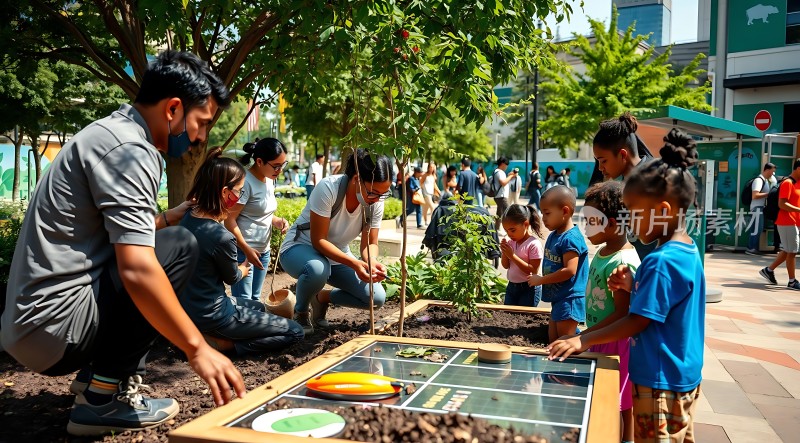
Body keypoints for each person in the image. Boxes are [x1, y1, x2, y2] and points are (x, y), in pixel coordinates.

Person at [0, 50, 245, 436]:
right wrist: (198, 349)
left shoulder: (110, 133)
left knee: (167, 237)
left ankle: (95, 379)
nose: (199, 137)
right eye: (201, 123)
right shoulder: (132, 150)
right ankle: (101, 399)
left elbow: (112, 235)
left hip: (34, 327)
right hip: (54, 329)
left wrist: (164, 218)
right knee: (177, 247)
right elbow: (135, 267)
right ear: (174, 109)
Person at [548, 129, 706, 442]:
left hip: (659, 381)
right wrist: (636, 284)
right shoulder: (687, 249)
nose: (630, 222)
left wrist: (584, 340)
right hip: (684, 375)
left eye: (635, 213)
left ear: (662, 211)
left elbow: (637, 320)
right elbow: (669, 303)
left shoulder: (659, 261)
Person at [180, 148, 304, 354]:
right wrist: (244, 267)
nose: (239, 197)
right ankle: (225, 346)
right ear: (224, 192)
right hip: (214, 315)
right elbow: (233, 277)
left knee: (259, 307)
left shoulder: (188, 216)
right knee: (295, 332)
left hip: (192, 307)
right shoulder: (221, 236)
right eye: (238, 190)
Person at [280, 149, 391, 335]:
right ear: (356, 179)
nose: (377, 199)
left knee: (376, 297)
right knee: (317, 269)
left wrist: (371, 262)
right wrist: (355, 264)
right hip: (299, 248)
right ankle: (300, 312)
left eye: (383, 194)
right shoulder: (328, 188)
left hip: (336, 254)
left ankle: (321, 298)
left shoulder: (375, 203)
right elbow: (319, 240)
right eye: (373, 193)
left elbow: (369, 244)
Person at [581, 180, 641, 442]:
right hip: (601, 336)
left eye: (591, 221)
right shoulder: (605, 251)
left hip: (615, 341)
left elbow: (622, 314)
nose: (585, 227)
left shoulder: (623, 261)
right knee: (616, 399)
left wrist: (583, 337)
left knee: (617, 400)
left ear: (613, 224)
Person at [225, 138, 291, 301]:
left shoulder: (269, 179)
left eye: (283, 165)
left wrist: (276, 221)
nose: (280, 170)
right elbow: (229, 220)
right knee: (244, 302)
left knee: (255, 299)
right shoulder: (244, 182)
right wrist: (246, 249)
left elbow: (260, 213)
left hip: (263, 252)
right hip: (244, 253)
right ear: (260, 161)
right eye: (276, 166)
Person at [591, 112, 656, 260]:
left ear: (622, 154)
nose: (600, 168)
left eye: (603, 161)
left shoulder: (653, 180)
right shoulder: (625, 182)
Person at [527, 185, 588, 342]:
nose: (543, 218)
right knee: (553, 340)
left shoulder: (570, 239)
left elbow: (570, 270)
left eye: (547, 213)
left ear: (565, 211)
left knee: (565, 343)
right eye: (542, 213)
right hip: (559, 298)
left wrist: (541, 280)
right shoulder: (555, 235)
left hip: (570, 299)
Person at [759, 159, 800, 290]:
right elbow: (782, 204)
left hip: (793, 221)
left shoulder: (798, 183)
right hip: (787, 221)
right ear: (798, 169)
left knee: (788, 250)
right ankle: (792, 281)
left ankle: (769, 270)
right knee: (792, 252)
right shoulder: (787, 183)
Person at [500, 204, 543, 307]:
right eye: (506, 231)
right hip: (512, 286)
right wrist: (505, 253)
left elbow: (533, 270)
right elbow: (506, 266)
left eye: (512, 230)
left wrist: (512, 256)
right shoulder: (511, 242)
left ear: (526, 224)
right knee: (509, 316)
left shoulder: (533, 244)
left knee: (525, 318)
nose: (509, 234)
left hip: (528, 288)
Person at [746, 163, 776, 255]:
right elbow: (755, 195)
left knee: (756, 228)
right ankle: (751, 248)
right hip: (756, 208)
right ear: (767, 170)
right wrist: (769, 194)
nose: (773, 174)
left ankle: (752, 247)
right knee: (756, 229)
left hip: (759, 207)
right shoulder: (759, 180)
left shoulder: (765, 180)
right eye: (772, 171)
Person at [492, 157, 519, 233]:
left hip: (499, 196)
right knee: (508, 213)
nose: (507, 166)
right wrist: (511, 176)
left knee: (499, 213)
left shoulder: (497, 171)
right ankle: (511, 230)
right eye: (506, 164)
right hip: (501, 196)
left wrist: (509, 175)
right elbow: (503, 182)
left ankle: (496, 229)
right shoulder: (499, 172)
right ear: (503, 164)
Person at [420, 161, 441, 226]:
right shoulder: (425, 175)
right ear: (428, 168)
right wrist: (421, 191)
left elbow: (434, 184)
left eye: (433, 167)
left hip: (431, 193)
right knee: (432, 207)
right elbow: (420, 183)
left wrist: (438, 191)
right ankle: (433, 222)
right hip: (426, 194)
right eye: (431, 167)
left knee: (425, 208)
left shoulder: (433, 175)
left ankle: (426, 221)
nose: (432, 168)